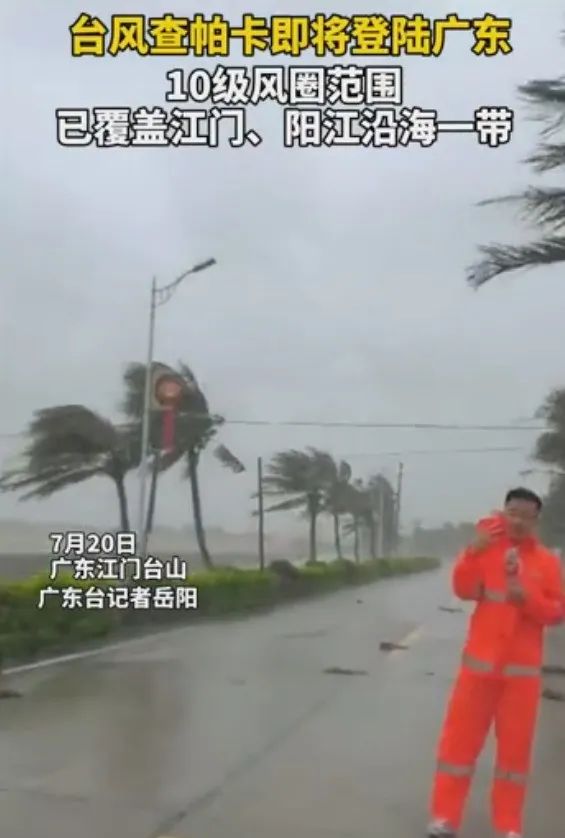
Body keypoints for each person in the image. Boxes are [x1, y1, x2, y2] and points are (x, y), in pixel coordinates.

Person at [427, 487, 565, 838]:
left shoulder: (547, 561)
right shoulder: (485, 549)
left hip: (521, 679)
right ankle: (444, 818)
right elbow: (463, 590)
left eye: (525, 515)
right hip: (478, 671)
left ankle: (508, 825)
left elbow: (556, 611)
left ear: (535, 521)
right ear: (503, 513)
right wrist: (472, 553)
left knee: (514, 759)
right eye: (512, 512)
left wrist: (527, 599)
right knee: (457, 749)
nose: (517, 520)